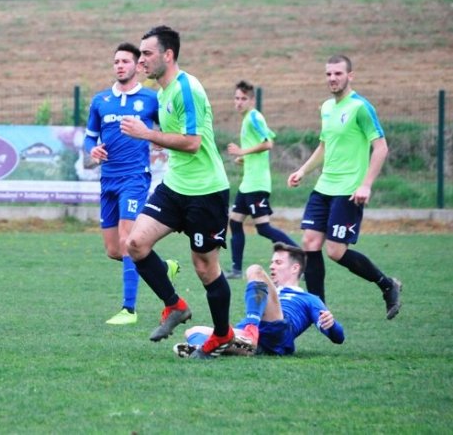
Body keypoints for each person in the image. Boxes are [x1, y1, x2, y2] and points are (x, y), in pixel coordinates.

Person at [120, 25, 234, 359]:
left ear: (168, 55)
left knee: (204, 267)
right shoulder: (163, 92)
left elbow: (193, 143)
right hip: (175, 187)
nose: (142, 60)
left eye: (147, 54)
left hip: (206, 191)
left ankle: (223, 335)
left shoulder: (187, 89)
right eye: (140, 54)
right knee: (135, 244)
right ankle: (175, 306)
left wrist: (147, 135)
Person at [287, 54, 401, 319]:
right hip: (324, 186)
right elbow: (325, 146)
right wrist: (303, 170)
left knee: (336, 251)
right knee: (309, 241)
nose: (332, 78)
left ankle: (387, 285)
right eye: (328, 74)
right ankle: (318, 310)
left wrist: (366, 185)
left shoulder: (361, 107)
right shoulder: (327, 107)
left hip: (349, 189)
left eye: (338, 73)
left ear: (350, 76)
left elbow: (381, 147)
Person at [83, 42, 179, 325]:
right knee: (114, 250)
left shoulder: (151, 99)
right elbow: (90, 136)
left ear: (137, 66)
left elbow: (169, 129)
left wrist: (161, 141)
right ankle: (162, 267)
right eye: (116, 62)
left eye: (125, 61)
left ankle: (129, 310)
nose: (119, 66)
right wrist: (92, 149)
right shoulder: (101, 101)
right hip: (108, 179)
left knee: (127, 241)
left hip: (135, 177)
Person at [174, 242, 345, 357]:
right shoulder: (264, 290)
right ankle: (200, 351)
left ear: (295, 268)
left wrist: (332, 325)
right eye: (272, 262)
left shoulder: (309, 299)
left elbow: (338, 338)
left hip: (278, 330)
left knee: (255, 270)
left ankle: (249, 330)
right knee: (192, 331)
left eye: (278, 262)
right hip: (260, 341)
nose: (271, 266)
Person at [224, 80, 297, 279]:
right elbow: (259, 146)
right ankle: (237, 270)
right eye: (236, 98)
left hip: (257, 184)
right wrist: (243, 157)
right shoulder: (248, 118)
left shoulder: (255, 117)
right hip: (247, 184)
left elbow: (268, 143)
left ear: (252, 100)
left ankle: (299, 255)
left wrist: (242, 151)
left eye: (243, 99)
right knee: (235, 222)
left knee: (264, 228)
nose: (239, 102)